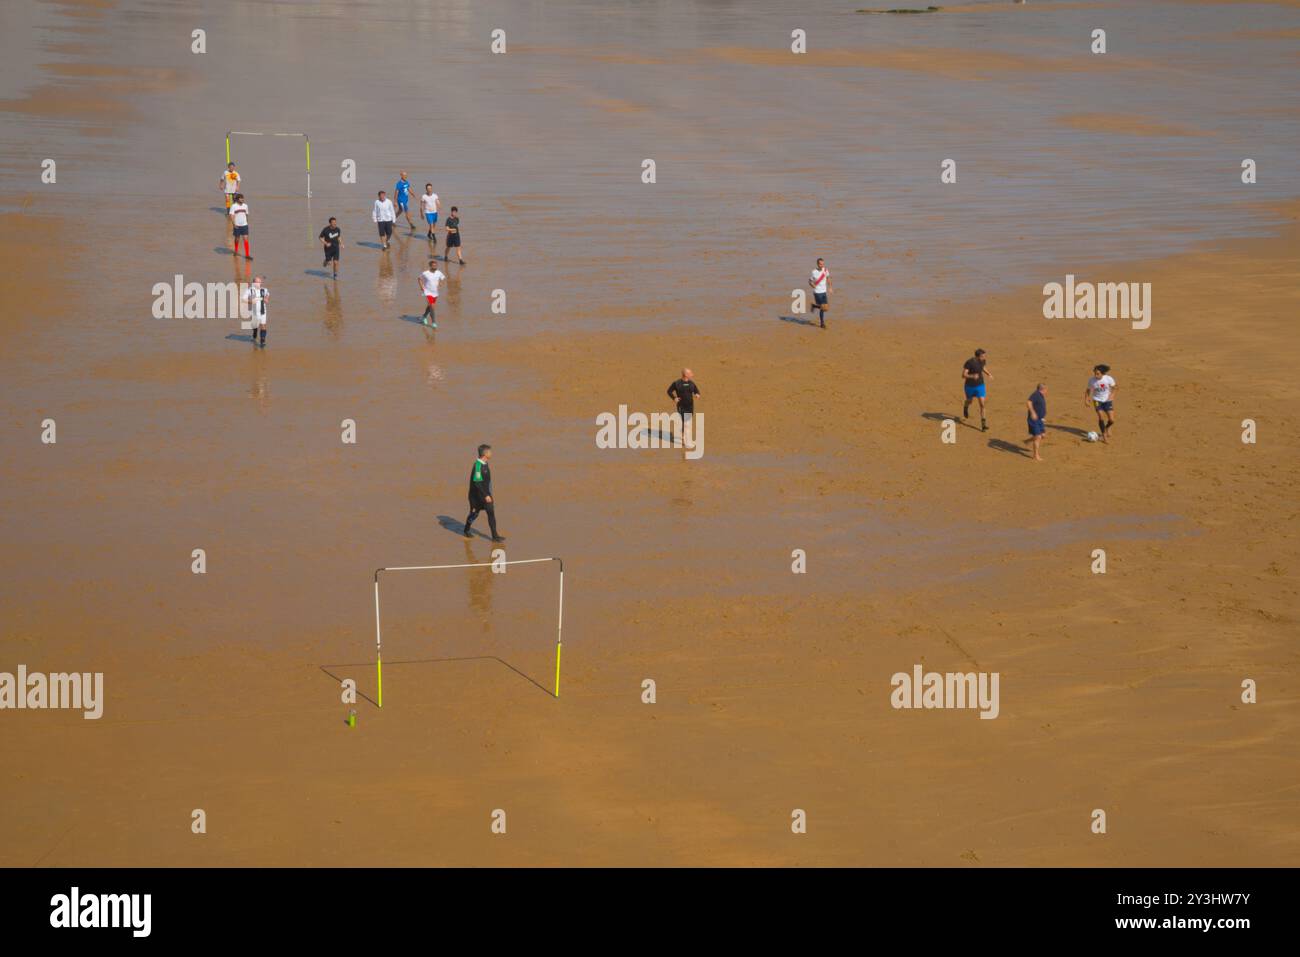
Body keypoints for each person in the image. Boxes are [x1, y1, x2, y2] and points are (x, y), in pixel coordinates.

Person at [464, 444, 505, 543]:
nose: (491, 453)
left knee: (491, 513)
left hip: (486, 495)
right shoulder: (478, 466)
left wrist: (489, 493)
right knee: (474, 514)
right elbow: (477, 483)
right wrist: (486, 495)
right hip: (476, 497)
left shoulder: (485, 463)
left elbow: (487, 481)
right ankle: (466, 529)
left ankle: (495, 536)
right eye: (490, 451)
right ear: (485, 454)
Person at [667, 368, 701, 445]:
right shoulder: (677, 383)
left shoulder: (692, 383)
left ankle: (683, 436)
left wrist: (697, 394)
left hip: (690, 406)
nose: (692, 374)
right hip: (681, 406)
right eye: (690, 373)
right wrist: (674, 398)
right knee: (686, 423)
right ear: (686, 375)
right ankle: (687, 441)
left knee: (686, 422)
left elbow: (696, 391)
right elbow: (669, 391)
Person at [1085, 364, 1117, 443]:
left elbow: (1115, 388)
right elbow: (1088, 390)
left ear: (1103, 373)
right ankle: (1104, 436)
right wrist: (1086, 399)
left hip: (1107, 401)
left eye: (1098, 374)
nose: (1096, 375)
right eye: (1095, 373)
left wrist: (1112, 395)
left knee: (1112, 420)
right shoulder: (1092, 380)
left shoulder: (1108, 379)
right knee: (1101, 417)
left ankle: (1107, 428)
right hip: (1097, 400)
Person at [962, 348, 992, 431]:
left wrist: (988, 374)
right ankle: (965, 407)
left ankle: (983, 425)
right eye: (983, 356)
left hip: (980, 385)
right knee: (969, 401)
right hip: (970, 386)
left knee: (982, 404)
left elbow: (982, 368)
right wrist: (972, 376)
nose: (984, 357)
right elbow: (963, 375)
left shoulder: (982, 361)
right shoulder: (969, 362)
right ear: (978, 356)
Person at [242, 274, 269, 347]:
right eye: (257, 282)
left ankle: (262, 341)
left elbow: (267, 294)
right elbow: (243, 299)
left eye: (260, 282)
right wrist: (250, 302)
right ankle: (254, 334)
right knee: (255, 325)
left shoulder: (264, 290)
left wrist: (266, 299)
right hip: (253, 312)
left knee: (263, 325)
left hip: (263, 311)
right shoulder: (249, 290)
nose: (259, 284)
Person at [418, 259, 445, 327]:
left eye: (436, 265)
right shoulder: (425, 273)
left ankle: (424, 317)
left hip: (435, 292)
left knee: (430, 306)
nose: (435, 267)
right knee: (432, 306)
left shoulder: (439, 272)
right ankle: (433, 322)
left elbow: (443, 278)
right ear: (430, 266)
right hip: (427, 292)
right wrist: (421, 287)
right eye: (433, 266)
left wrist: (440, 284)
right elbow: (419, 278)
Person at [1025, 383, 1048, 462]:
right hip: (1034, 420)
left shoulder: (1040, 395)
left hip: (1040, 420)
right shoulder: (1036, 394)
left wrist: (1042, 417)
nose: (1047, 391)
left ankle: (1027, 441)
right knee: (1038, 437)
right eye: (1046, 390)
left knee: (1043, 435)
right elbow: (1028, 402)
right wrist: (1032, 412)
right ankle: (1035, 455)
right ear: (1043, 389)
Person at [809, 258, 832, 329]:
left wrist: (830, 287)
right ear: (817, 264)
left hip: (824, 291)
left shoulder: (825, 270)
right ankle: (822, 323)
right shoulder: (814, 272)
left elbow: (828, 278)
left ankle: (814, 306)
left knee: (826, 308)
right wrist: (812, 285)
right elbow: (810, 281)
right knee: (823, 307)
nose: (822, 265)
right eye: (820, 264)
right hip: (817, 292)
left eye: (823, 264)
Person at [228, 193, 251, 260]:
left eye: (243, 198)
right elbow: (231, 215)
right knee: (237, 239)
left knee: (246, 239)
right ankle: (236, 250)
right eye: (241, 198)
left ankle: (247, 255)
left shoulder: (245, 206)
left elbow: (246, 214)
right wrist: (234, 224)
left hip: (244, 225)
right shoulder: (234, 206)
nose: (242, 199)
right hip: (237, 225)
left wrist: (247, 222)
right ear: (237, 199)